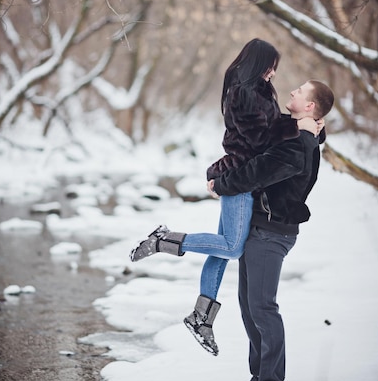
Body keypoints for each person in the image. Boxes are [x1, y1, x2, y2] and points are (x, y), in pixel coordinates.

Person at [129, 38, 301, 355]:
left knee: (221, 250)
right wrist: (297, 128)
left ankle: (201, 317)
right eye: (270, 66)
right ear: (258, 63)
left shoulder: (255, 91)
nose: (273, 73)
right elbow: (255, 144)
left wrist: (302, 125)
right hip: (238, 181)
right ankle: (164, 239)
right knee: (232, 247)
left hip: (239, 177)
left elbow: (261, 133)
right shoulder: (245, 92)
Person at [213, 80, 335, 381]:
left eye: (299, 91)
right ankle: (258, 377)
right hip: (259, 227)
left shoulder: (298, 144)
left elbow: (257, 171)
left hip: (272, 232)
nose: (292, 92)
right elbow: (267, 129)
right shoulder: (296, 133)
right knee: (248, 306)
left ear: (310, 107)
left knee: (263, 307)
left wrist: (221, 184)